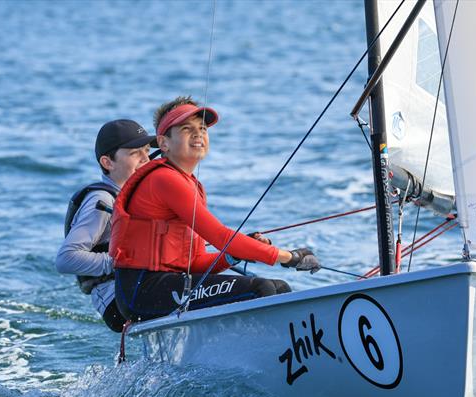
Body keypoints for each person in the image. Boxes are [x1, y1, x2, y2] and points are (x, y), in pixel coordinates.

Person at [110, 96, 320, 322]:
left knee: (279, 288)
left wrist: (231, 256)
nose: (198, 134)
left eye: (202, 128)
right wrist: (289, 257)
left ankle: (292, 351)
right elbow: (220, 236)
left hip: (165, 284)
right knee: (262, 288)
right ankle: (268, 352)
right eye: (186, 128)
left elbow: (196, 262)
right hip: (141, 291)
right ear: (164, 143)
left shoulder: (191, 184)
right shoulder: (164, 180)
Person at [56, 119, 157, 332]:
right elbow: (66, 259)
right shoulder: (101, 201)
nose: (146, 159)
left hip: (137, 287)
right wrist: (120, 262)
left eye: (147, 151)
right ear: (107, 162)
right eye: (134, 153)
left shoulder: (134, 197)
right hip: (117, 302)